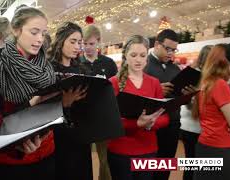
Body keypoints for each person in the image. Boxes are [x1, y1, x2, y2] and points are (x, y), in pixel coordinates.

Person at [0, 7, 83, 180]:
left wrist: (64, 103)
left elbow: (53, 109)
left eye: (43, 33)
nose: (39, 39)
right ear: (16, 30)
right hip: (14, 161)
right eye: (34, 32)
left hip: (47, 152)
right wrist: (31, 104)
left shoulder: (46, 66)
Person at [108, 35, 169, 180]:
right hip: (121, 151)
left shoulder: (154, 83)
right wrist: (137, 124)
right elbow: (110, 121)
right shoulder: (113, 83)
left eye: (142, 55)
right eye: (133, 55)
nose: (138, 60)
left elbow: (165, 117)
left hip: (148, 150)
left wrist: (153, 122)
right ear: (125, 56)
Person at [144, 29, 196, 180]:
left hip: (173, 124)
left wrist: (188, 95)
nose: (171, 53)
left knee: (165, 166)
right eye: (168, 49)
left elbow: (180, 98)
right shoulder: (144, 64)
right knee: (148, 168)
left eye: (174, 50)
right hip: (151, 125)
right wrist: (156, 90)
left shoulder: (174, 68)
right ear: (156, 45)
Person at [48, 22, 92, 180]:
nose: (77, 46)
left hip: (81, 134)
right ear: (60, 42)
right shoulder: (48, 69)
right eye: (72, 41)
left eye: (79, 42)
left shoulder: (83, 70)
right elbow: (41, 106)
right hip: (57, 135)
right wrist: (64, 104)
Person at [192, 44, 230, 180]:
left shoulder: (207, 82)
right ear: (226, 61)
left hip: (207, 146)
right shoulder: (220, 84)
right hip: (220, 149)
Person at [80, 24, 117, 180]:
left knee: (104, 160)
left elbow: (116, 88)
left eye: (91, 44)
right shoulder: (77, 63)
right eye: (85, 44)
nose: (88, 48)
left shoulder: (108, 64)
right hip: (82, 118)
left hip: (103, 117)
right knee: (81, 160)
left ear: (99, 42)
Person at [179, 45, 212, 180]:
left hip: (189, 126)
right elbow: (186, 102)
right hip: (195, 127)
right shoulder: (201, 76)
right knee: (195, 165)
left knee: (192, 163)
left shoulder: (193, 73)